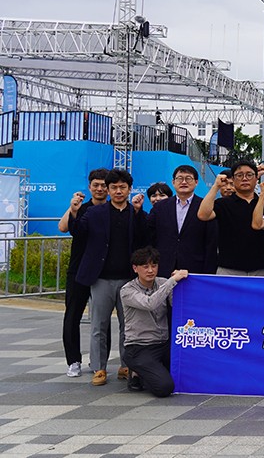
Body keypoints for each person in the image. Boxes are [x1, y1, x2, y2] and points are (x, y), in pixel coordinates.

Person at [69, 168, 147, 386]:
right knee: (98, 326)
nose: (118, 191)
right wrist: (74, 211)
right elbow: (78, 232)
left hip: (129, 280)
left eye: (123, 187)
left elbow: (145, 236)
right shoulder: (95, 212)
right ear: (109, 190)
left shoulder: (135, 212)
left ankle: (126, 365)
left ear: (130, 189)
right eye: (114, 187)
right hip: (101, 278)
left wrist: (139, 212)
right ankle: (99, 368)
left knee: (129, 326)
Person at [58, 168, 108, 378]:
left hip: (104, 271)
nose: (100, 188)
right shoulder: (82, 208)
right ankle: (73, 361)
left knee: (102, 319)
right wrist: (72, 208)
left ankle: (99, 362)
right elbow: (62, 227)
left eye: (103, 185)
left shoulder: (112, 210)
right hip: (78, 269)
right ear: (89, 187)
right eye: (96, 185)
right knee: (72, 316)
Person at [119, 246, 189, 397]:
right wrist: (172, 281)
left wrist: (182, 281)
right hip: (139, 347)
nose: (150, 270)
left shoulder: (163, 282)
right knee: (164, 387)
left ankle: (148, 371)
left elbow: (177, 304)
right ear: (135, 268)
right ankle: (137, 373)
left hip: (164, 344)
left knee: (189, 374)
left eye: (154, 266)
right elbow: (150, 303)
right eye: (145, 267)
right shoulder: (127, 290)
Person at [198, 160, 264, 276]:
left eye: (249, 175)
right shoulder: (223, 203)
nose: (244, 178)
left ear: (256, 178)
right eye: (239, 175)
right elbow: (203, 215)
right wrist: (216, 186)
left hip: (259, 269)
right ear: (233, 179)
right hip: (228, 269)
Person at [147, 165, 218, 277]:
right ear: (173, 182)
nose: (184, 182)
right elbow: (150, 236)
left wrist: (208, 273)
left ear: (196, 182)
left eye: (188, 178)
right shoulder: (160, 207)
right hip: (164, 267)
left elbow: (211, 242)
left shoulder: (205, 207)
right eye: (180, 178)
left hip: (195, 269)